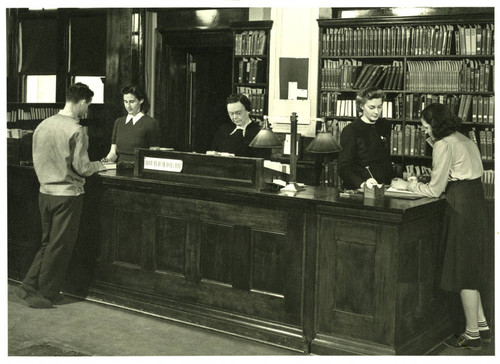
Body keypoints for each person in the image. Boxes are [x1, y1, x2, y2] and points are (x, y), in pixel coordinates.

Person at [391, 103, 490, 351]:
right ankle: (481, 324)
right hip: (476, 204)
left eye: (426, 127)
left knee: (462, 270)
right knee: (470, 265)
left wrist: (408, 186)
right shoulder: (464, 139)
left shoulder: (444, 144)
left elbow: (436, 190)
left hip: (459, 207)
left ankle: (472, 335)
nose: (425, 133)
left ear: (434, 125)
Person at [17, 82, 106, 308]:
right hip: (68, 195)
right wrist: (101, 165)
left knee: (47, 242)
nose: (86, 111)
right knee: (60, 246)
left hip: (44, 192)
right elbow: (83, 168)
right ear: (83, 102)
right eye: (87, 106)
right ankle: (46, 294)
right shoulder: (76, 130)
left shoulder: (43, 125)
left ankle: (28, 285)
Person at [338, 86, 394, 190]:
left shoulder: (385, 125)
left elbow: (385, 160)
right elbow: (343, 167)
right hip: (360, 188)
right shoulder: (351, 130)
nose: (376, 112)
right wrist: (362, 183)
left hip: (384, 186)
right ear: (362, 106)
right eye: (372, 107)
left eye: (380, 107)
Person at [103, 84, 160, 163]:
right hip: (120, 169)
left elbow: (154, 155)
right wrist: (105, 161)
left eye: (132, 102)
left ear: (141, 100)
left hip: (139, 171)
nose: (128, 106)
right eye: (125, 102)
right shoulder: (119, 122)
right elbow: (113, 153)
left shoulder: (151, 123)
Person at [211, 93, 270, 159]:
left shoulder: (260, 133)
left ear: (248, 110)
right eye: (231, 114)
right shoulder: (223, 130)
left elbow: (262, 162)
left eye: (238, 113)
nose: (234, 117)